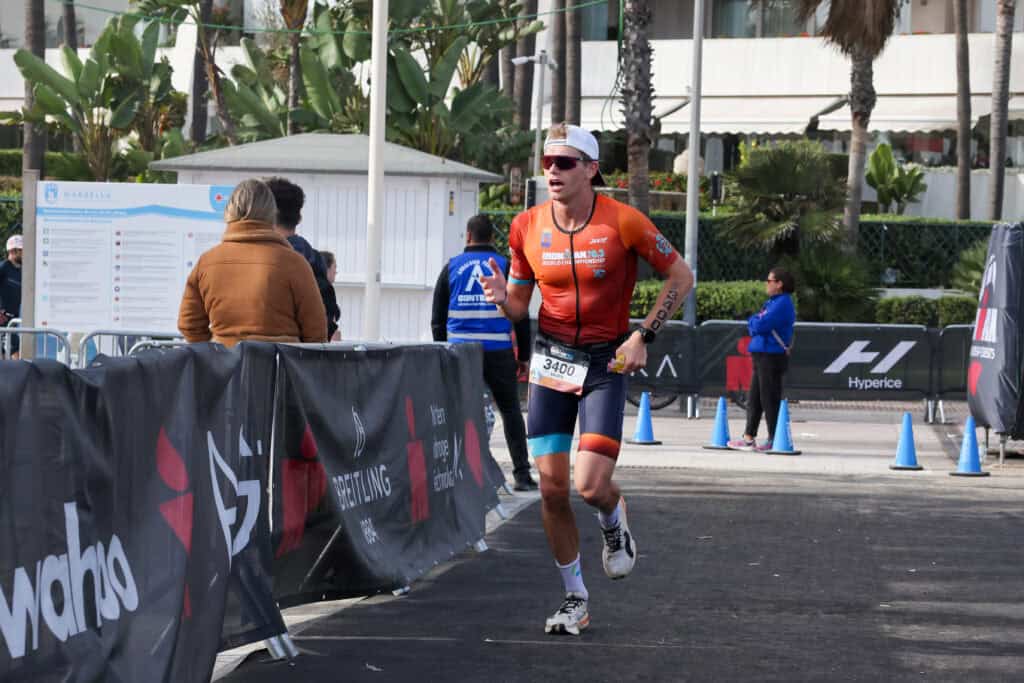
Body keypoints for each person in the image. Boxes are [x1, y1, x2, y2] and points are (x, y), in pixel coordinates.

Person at [479, 123, 694, 635]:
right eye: (547, 162)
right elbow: (519, 305)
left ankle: (614, 517)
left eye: (565, 162)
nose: (552, 171)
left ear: (591, 169)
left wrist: (643, 335)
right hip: (552, 360)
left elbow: (681, 276)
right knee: (552, 489)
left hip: (606, 362)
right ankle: (574, 598)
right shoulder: (526, 226)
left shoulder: (624, 221)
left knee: (591, 485)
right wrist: (502, 300)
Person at [431, 214, 537, 492]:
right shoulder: (504, 266)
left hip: (460, 352)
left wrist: (443, 350)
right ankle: (522, 474)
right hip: (498, 350)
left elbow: (437, 319)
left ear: (468, 235)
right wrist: (524, 356)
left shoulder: (452, 267)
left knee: (460, 411)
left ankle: (457, 474)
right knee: (510, 411)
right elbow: (521, 315)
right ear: (492, 237)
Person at [178, 179, 327, 346]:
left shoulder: (207, 262)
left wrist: (215, 352)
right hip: (280, 360)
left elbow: (189, 324)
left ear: (230, 210)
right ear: (271, 212)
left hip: (225, 359)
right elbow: (316, 331)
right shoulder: (294, 263)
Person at [728, 268, 796, 452]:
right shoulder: (772, 302)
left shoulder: (782, 304)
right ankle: (748, 437)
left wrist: (754, 321)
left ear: (779, 284)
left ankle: (774, 438)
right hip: (762, 354)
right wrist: (755, 322)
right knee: (755, 398)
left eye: (769, 280)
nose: (766, 284)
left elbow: (760, 324)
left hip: (771, 355)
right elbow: (756, 323)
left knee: (769, 398)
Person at [265, 177, 340, 340]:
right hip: (305, 351)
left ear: (266, 214)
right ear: (299, 218)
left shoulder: (265, 260)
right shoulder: (314, 259)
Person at [0, 235, 23, 358]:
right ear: (13, 251)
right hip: (2, 319)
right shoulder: (3, 267)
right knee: (14, 354)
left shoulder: (22, 271)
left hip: (13, 320)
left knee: (10, 354)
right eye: (21, 251)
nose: (25, 254)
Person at [319, 250, 342, 341]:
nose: (336, 272)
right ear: (327, 268)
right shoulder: (326, 289)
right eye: (334, 267)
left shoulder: (310, 284)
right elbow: (329, 321)